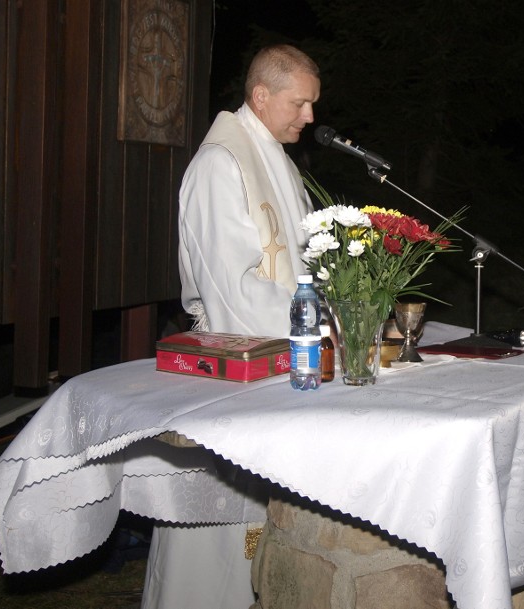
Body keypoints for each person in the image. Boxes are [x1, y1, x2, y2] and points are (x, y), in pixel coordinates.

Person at [142, 44, 320, 609]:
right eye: (301, 104)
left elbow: (297, 263)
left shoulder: (275, 156)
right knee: (214, 537)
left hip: (279, 350)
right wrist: (312, 329)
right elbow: (227, 287)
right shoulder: (222, 163)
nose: (310, 118)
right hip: (236, 357)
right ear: (261, 96)